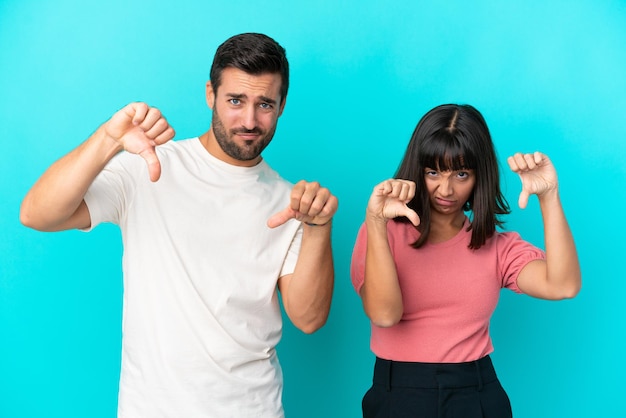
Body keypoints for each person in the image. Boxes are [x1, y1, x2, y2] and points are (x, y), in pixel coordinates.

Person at [20, 33, 337, 417]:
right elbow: (37, 214)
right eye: (235, 100)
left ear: (282, 105)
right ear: (211, 94)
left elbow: (308, 319)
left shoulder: (291, 204)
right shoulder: (149, 166)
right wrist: (108, 140)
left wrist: (319, 229)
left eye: (265, 104)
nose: (250, 121)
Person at [350, 104, 580, 418]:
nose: (446, 189)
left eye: (461, 174)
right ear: (418, 169)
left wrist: (549, 195)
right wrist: (376, 223)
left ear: (478, 176)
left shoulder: (497, 247)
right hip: (399, 393)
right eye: (433, 172)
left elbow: (563, 285)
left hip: (476, 392)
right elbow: (384, 314)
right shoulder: (381, 232)